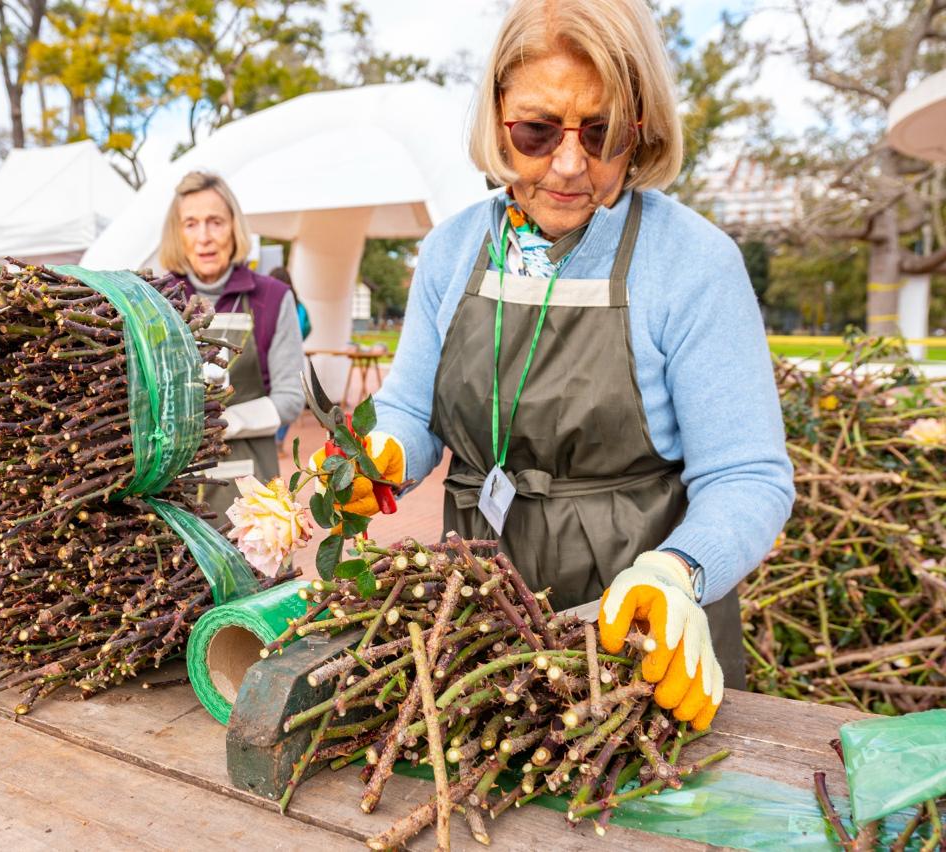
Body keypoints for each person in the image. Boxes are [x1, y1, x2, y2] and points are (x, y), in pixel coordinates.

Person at [312, 0, 793, 731]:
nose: (569, 165)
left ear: (642, 128)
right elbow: (412, 411)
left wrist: (678, 571)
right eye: (537, 131)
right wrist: (382, 457)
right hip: (476, 613)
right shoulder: (451, 251)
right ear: (497, 116)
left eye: (602, 133)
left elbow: (747, 476)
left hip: (639, 631)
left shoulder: (694, 263)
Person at [161, 172, 305, 521]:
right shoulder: (156, 299)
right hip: (171, 488)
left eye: (216, 222)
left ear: (234, 228)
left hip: (250, 489)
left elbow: (290, 399)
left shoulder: (272, 297)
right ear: (177, 233)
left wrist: (218, 423)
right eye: (191, 224)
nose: (204, 237)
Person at [267, 266, 311, 454]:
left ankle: (271, 437)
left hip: (269, 354)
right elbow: (307, 326)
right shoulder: (298, 304)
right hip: (292, 355)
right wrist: (296, 341)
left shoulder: (268, 300)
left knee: (274, 395)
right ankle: (279, 439)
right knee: (289, 394)